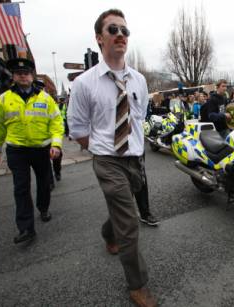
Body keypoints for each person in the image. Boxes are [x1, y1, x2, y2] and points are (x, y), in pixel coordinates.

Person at [67, 9, 156, 306]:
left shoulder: (139, 81)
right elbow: (78, 129)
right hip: (107, 159)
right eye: (113, 29)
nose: (121, 35)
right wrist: (101, 149)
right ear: (99, 38)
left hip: (134, 158)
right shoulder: (83, 84)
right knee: (130, 221)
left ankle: (109, 233)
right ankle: (137, 286)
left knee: (121, 214)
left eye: (125, 31)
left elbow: (139, 117)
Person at [0, 58, 63, 244]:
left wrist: (56, 144)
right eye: (19, 73)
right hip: (17, 150)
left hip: (41, 149)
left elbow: (56, 122)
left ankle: (43, 208)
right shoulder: (4, 99)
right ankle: (26, 228)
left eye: (26, 73)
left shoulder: (45, 98)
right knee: (21, 189)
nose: (23, 76)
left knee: (44, 183)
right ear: (13, 77)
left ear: (31, 76)